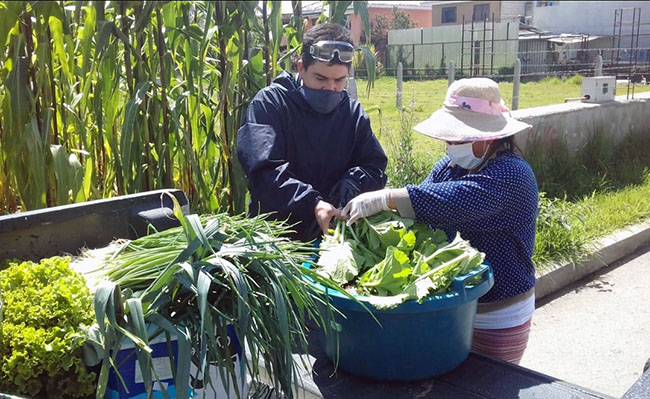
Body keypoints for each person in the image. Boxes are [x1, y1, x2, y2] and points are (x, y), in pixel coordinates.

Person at [342, 77, 539, 364]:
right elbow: (420, 212)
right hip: (448, 310)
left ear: (485, 137)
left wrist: (384, 198)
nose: (449, 146)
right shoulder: (449, 167)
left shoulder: (513, 174)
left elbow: (456, 203)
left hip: (497, 312)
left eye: (456, 139)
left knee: (490, 389)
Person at [236, 23, 387, 242]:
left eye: (339, 80)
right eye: (321, 79)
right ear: (301, 68)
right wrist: (313, 204)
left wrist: (354, 182)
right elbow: (264, 173)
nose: (330, 88)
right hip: (276, 239)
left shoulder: (352, 113)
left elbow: (374, 166)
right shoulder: (270, 104)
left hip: (335, 237)